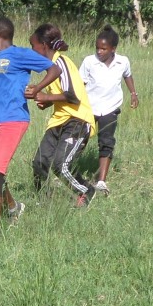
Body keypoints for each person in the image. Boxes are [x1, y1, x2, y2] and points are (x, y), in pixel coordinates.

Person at [0, 18, 60, 247]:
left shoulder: (20, 54)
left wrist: (37, 88)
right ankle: (14, 208)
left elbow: (54, 68)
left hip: (13, 120)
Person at [28, 23, 98, 207]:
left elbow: (73, 96)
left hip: (77, 121)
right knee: (39, 163)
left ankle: (87, 191)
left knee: (61, 166)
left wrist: (45, 95)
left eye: (33, 46)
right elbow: (62, 95)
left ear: (43, 45)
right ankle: (43, 199)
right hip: (58, 121)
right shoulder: (50, 67)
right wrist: (48, 102)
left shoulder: (61, 63)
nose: (32, 50)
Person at [79, 25, 138, 195]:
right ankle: (69, 172)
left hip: (110, 107)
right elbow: (80, 84)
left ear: (113, 49)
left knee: (106, 142)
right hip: (89, 108)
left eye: (104, 48)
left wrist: (133, 93)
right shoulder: (89, 61)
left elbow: (127, 75)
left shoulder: (122, 61)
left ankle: (101, 181)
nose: (99, 51)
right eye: (97, 48)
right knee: (80, 140)